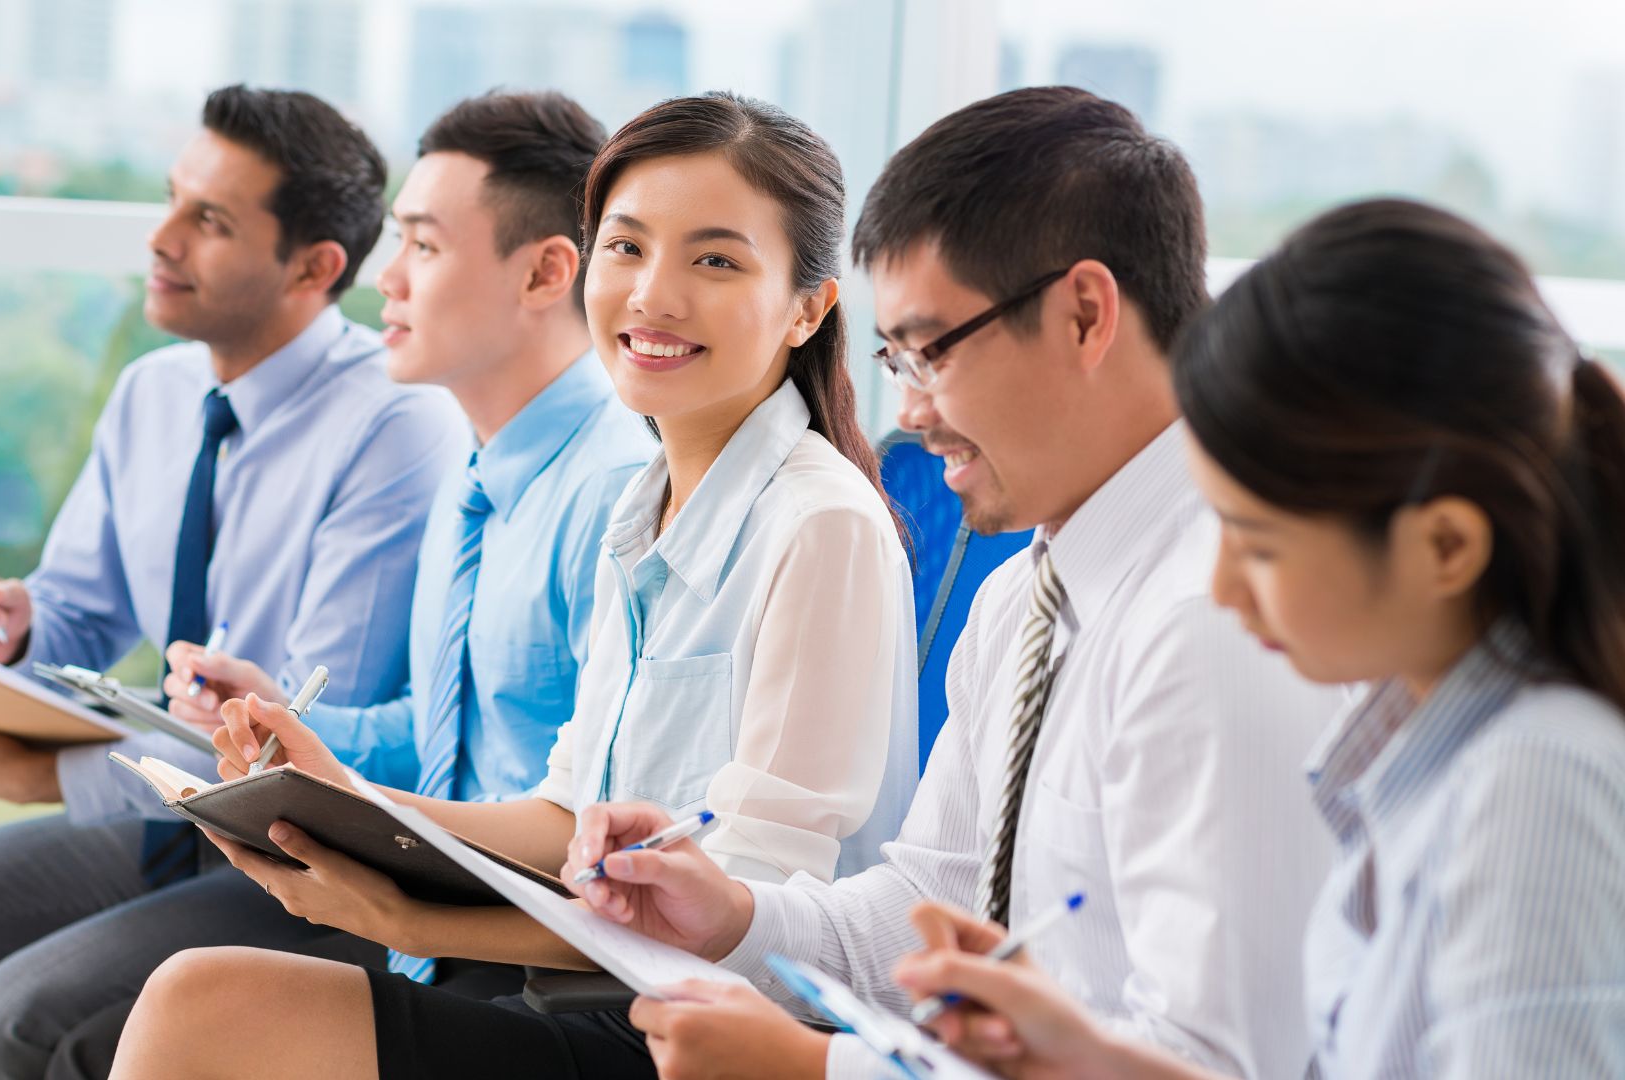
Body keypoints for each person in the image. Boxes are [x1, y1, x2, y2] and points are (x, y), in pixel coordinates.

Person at [108, 91, 921, 1080]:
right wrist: (339, 795)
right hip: (596, 997)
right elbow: (562, 815)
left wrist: (410, 912)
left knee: (208, 1003)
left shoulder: (819, 524)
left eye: (714, 260)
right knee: (205, 998)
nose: (653, 295)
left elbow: (749, 921)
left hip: (707, 1039)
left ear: (808, 307)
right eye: (626, 248)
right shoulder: (644, 502)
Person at [562, 87, 1349, 1080]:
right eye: (893, 356)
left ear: (1085, 313)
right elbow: (922, 910)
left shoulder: (1213, 622)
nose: (911, 411)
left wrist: (813, 1073)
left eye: (929, 352)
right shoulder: (1021, 599)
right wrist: (727, 915)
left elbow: (1223, 1064)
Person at [0, 86, 464, 1080]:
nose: (161, 238)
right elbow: (82, 615)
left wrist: (54, 777)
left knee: (25, 1015)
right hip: (163, 813)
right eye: (172, 200)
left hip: (291, 846)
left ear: (316, 269)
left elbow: (296, 739)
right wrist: (9, 629)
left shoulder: (395, 426)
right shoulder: (157, 390)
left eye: (210, 221)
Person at [891, 199, 1625, 1080]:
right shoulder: (1429, 758)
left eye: (1260, 543)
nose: (1227, 587)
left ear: (1445, 547)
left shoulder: (1536, 779)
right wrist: (1086, 1057)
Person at [160, 89, 654, 998]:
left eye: (422, 247)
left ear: (548, 275)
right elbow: (442, 735)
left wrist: (358, 811)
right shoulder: (474, 478)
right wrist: (296, 724)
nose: (384, 281)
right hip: (430, 916)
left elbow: (606, 819)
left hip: (533, 959)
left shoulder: (613, 496)